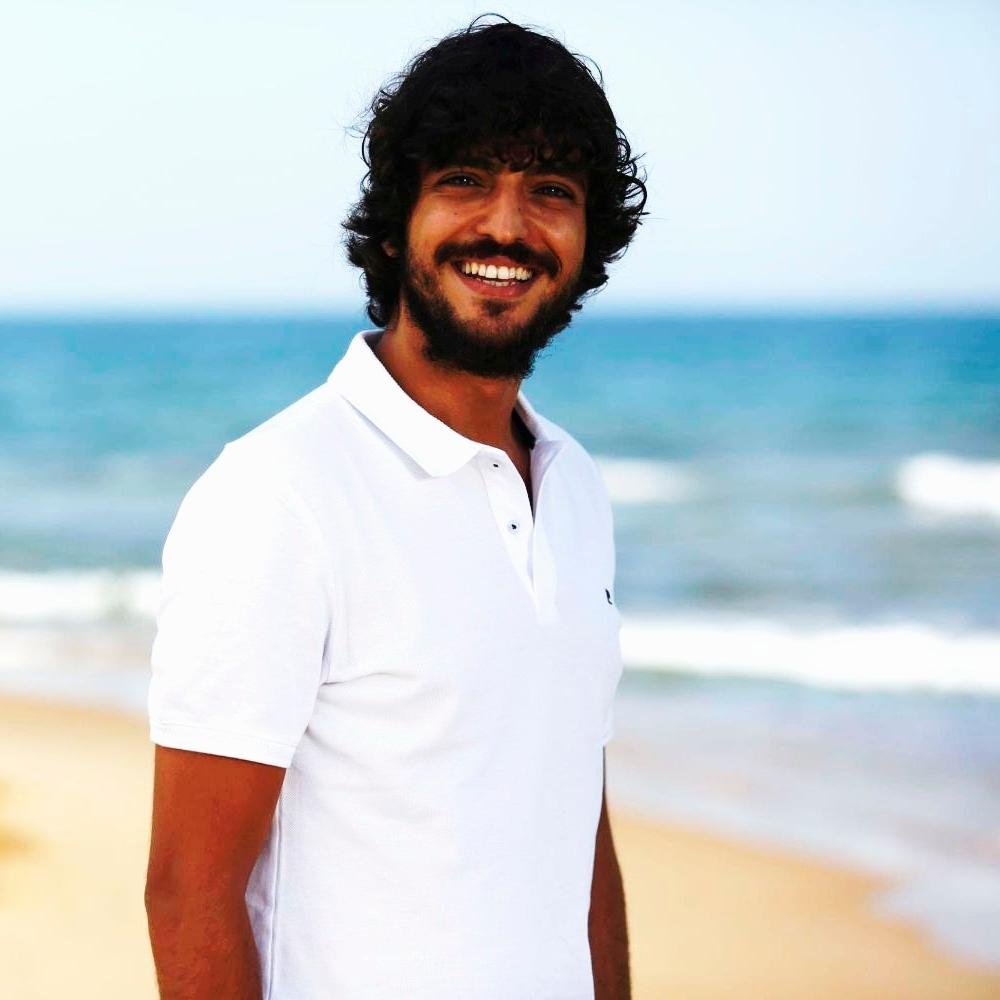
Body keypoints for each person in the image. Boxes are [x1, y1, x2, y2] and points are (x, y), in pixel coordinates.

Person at [144, 15, 646, 1000]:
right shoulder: (278, 493)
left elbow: (574, 824)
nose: (507, 227)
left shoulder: (574, 484)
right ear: (392, 224)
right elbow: (189, 890)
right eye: (464, 180)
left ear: (589, 240)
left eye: (551, 190)